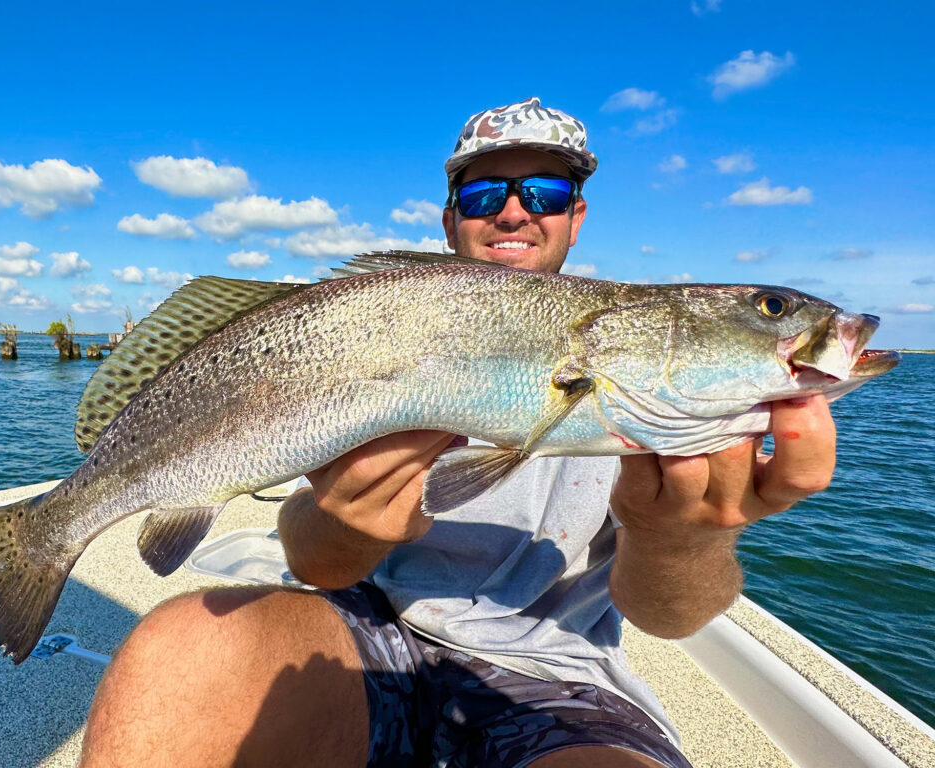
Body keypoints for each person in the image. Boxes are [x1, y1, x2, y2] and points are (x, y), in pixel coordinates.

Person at [80, 98, 836, 768]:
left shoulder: (668, 409)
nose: (513, 212)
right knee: (177, 650)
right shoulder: (389, 313)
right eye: (483, 193)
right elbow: (315, 563)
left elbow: (670, 618)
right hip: (365, 624)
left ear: (576, 214)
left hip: (557, 669)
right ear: (450, 220)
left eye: (544, 191)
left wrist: (678, 538)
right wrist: (345, 521)